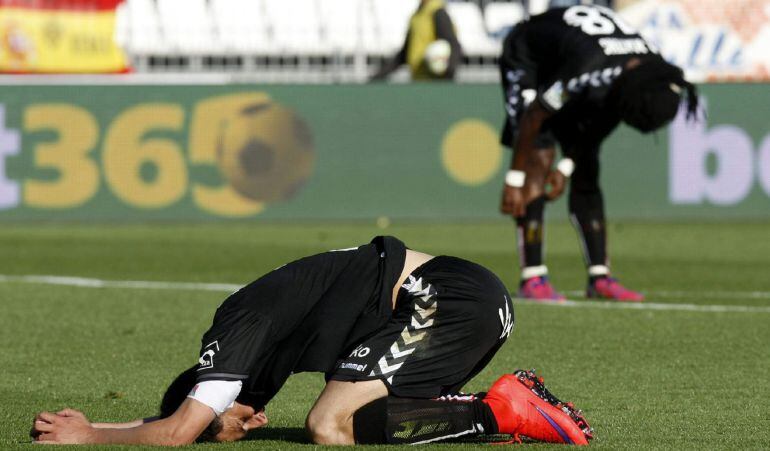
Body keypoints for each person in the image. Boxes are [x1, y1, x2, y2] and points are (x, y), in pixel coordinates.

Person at [31, 236, 591, 445]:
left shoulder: (237, 326)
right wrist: (113, 424)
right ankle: (500, 413)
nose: (249, 425)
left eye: (220, 425)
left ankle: (501, 411)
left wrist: (88, 437)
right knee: (354, 419)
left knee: (325, 425)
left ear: (215, 395)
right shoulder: (256, 366)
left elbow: (178, 431)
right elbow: (187, 419)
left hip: (444, 296)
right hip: (464, 304)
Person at [497, 5, 698, 301]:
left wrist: (567, 166)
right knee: (538, 160)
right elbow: (536, 115)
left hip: (572, 56)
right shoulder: (588, 70)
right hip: (530, 55)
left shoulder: (648, 70)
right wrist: (514, 179)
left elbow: (604, 121)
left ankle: (600, 278)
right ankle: (533, 278)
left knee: (586, 170)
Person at [370, 0, 462, 81]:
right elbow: (404, 53)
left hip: (435, 83)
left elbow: (453, 46)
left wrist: (447, 75)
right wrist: (378, 76)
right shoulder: (416, 17)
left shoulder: (438, 13)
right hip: (418, 82)